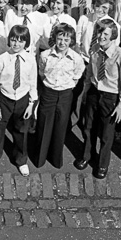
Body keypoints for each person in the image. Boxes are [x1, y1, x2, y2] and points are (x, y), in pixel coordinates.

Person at [74, 19, 121, 179]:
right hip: (94, 92)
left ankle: (103, 163)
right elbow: (90, 74)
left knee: (106, 133)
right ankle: (87, 155)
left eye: (105, 33)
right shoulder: (94, 50)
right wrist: (85, 92)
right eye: (99, 32)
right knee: (88, 127)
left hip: (110, 97)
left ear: (113, 36)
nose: (101, 36)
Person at [0, 25, 37, 177]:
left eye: (21, 41)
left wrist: (31, 105)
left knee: (21, 131)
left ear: (26, 42)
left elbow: (32, 83)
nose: (16, 44)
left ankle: (21, 159)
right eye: (13, 40)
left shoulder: (30, 60)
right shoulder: (2, 59)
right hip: (4, 99)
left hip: (22, 99)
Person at [35, 24, 84, 169]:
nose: (62, 43)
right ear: (55, 39)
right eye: (60, 39)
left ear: (71, 41)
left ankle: (55, 157)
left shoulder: (76, 58)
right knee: (44, 125)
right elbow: (42, 73)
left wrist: (66, 87)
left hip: (65, 94)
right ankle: (40, 158)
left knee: (60, 126)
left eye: (66, 40)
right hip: (48, 93)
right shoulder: (45, 55)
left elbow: (76, 76)